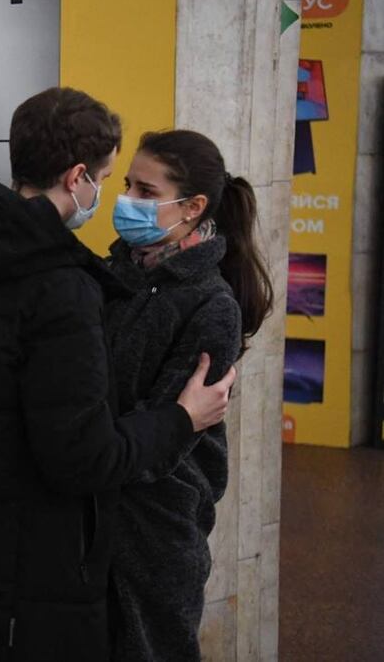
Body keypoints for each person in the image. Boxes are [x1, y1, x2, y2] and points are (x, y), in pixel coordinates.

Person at [0, 87, 236, 661]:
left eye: (141, 190)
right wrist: (183, 419)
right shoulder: (65, 285)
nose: (119, 198)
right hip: (30, 554)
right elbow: (83, 455)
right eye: (114, 180)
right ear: (79, 176)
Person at [104, 130, 273, 661]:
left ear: (194, 207)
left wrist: (82, 441)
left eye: (146, 191)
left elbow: (166, 434)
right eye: (128, 183)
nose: (127, 198)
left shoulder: (211, 306)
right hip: (98, 514)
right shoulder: (118, 273)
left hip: (156, 534)